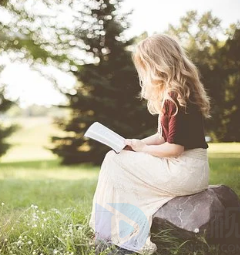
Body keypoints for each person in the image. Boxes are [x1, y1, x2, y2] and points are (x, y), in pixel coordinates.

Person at [89, 34, 211, 254]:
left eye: (145, 65)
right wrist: (133, 143)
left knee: (113, 161)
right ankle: (113, 233)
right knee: (116, 159)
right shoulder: (175, 92)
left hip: (184, 169)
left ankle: (111, 234)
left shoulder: (176, 95)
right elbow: (162, 136)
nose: (143, 72)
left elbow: (174, 149)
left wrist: (142, 150)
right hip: (188, 168)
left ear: (158, 64)